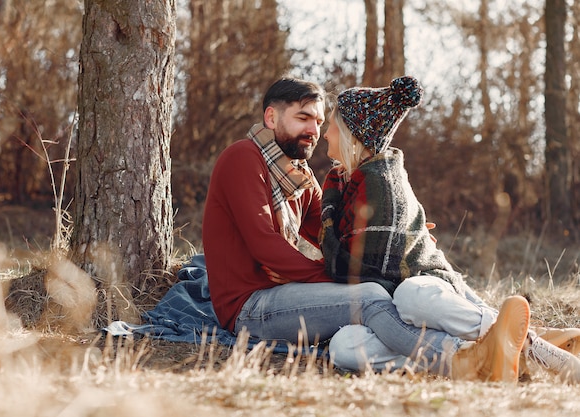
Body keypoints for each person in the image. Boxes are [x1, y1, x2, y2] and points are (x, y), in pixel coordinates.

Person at [202, 75, 531, 382]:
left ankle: (514, 340)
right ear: (271, 118)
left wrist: (399, 235)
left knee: (398, 283)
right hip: (250, 307)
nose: (315, 130)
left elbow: (334, 230)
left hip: (285, 294)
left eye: (319, 121)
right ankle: (465, 360)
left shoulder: (298, 175)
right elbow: (266, 246)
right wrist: (335, 274)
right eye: (303, 118)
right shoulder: (242, 158)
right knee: (372, 296)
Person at [320, 75, 580, 383]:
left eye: (333, 124)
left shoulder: (381, 184)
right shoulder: (343, 183)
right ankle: (479, 355)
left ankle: (536, 350)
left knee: (410, 295)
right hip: (388, 309)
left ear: (353, 134)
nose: (325, 133)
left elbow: (367, 266)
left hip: (425, 288)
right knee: (344, 346)